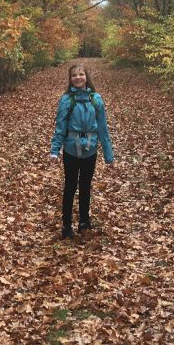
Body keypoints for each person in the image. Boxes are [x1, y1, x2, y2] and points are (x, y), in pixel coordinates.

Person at [49, 64, 114, 239]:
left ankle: (84, 222)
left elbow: (103, 128)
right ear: (70, 79)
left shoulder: (96, 99)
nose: (78, 77)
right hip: (71, 150)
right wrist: (55, 150)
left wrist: (108, 154)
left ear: (86, 77)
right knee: (70, 186)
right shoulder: (66, 100)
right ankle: (66, 225)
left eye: (81, 74)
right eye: (74, 75)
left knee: (85, 186)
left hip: (90, 150)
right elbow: (60, 126)